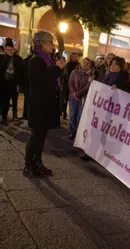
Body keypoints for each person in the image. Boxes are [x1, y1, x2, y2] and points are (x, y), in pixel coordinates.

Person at [24, 30, 65, 177]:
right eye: (50, 42)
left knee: (42, 135)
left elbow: (53, 78)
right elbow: (43, 79)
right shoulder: (36, 60)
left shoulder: (48, 59)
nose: (52, 45)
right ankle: (28, 164)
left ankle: (38, 162)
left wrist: (58, 69)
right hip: (38, 104)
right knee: (36, 135)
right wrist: (57, 68)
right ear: (42, 43)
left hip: (47, 103)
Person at [68, 58, 94, 140]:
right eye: (84, 62)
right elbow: (70, 83)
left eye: (87, 63)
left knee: (80, 116)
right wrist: (75, 94)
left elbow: (88, 86)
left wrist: (78, 94)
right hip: (73, 98)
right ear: (81, 63)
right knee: (72, 115)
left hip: (83, 98)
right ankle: (72, 132)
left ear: (89, 65)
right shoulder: (74, 72)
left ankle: (78, 134)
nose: (85, 64)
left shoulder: (90, 75)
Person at [0, 38, 23, 124]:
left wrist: (19, 85)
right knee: (3, 101)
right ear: (5, 50)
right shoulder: (1, 58)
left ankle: (7, 117)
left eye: (11, 50)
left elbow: (20, 73)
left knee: (10, 100)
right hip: (3, 82)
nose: (10, 51)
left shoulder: (18, 59)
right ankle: (3, 116)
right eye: (8, 50)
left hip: (12, 83)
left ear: (13, 49)